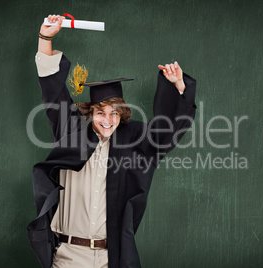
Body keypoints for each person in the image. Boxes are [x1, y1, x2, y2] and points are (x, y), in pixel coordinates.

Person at [27, 15, 197, 268]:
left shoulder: (134, 142)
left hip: (112, 258)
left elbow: (168, 133)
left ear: (123, 114)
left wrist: (179, 87)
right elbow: (53, 91)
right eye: (101, 112)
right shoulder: (71, 132)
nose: (108, 119)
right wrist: (46, 38)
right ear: (90, 112)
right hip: (69, 256)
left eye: (115, 112)